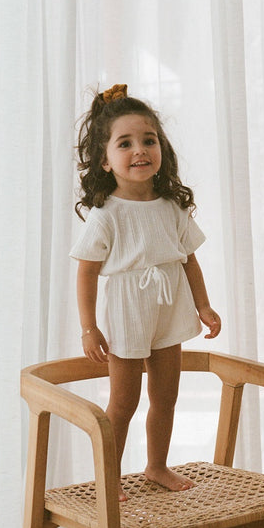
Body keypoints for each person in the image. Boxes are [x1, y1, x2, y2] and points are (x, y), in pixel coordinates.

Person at [70, 84, 221, 501]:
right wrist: (89, 327)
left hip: (169, 307)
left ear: (161, 149)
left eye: (149, 140)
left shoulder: (172, 207)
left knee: (166, 395)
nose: (140, 150)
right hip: (128, 311)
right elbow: (86, 273)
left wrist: (204, 306)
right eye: (125, 143)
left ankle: (156, 465)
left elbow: (189, 261)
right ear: (105, 160)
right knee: (124, 401)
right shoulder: (105, 215)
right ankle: (109, 475)